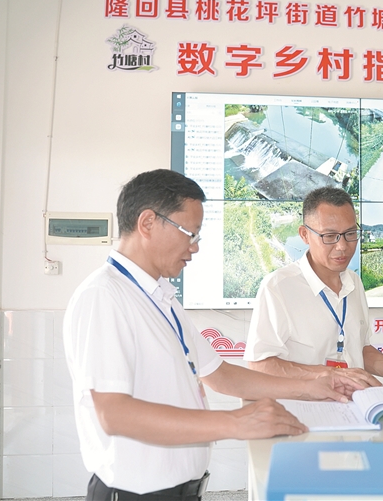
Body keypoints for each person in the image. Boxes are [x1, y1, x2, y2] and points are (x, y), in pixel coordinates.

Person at [64, 170, 363, 501]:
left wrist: (313, 386)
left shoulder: (160, 296)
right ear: (147, 223)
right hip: (134, 493)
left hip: (180, 490)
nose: (194, 247)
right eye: (189, 233)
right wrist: (235, 422)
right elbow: (113, 414)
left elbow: (220, 375)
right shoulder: (104, 296)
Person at [243, 187, 383, 387]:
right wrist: (329, 374)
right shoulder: (279, 287)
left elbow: (359, 350)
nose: (342, 246)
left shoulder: (354, 282)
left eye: (350, 233)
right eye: (330, 236)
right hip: (303, 404)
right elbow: (259, 365)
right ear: (305, 235)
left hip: (354, 401)